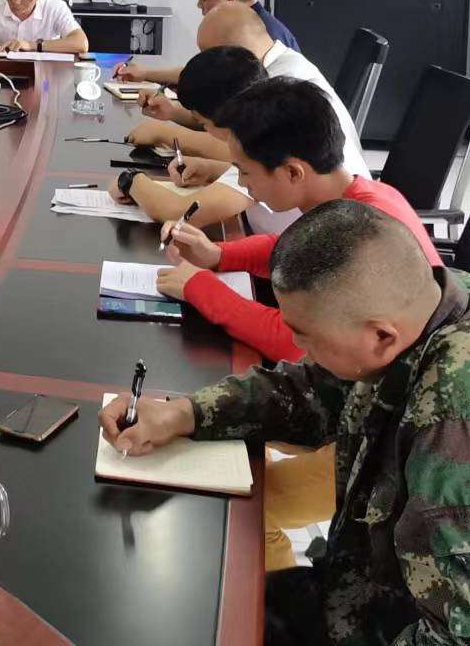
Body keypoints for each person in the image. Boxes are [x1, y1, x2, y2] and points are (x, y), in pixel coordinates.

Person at [102, 201, 470, 646]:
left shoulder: (464, 436)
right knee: (218, 608)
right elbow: (315, 389)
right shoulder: (431, 302)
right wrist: (186, 412)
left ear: (381, 335)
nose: (299, 347)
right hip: (391, 589)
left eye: (306, 336)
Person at [152, 79, 439, 576]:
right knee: (233, 445)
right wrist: (219, 256)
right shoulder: (355, 200)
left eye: (246, 172)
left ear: (292, 172)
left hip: (392, 433)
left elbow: (296, 343)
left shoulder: (363, 232)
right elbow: (291, 254)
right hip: (362, 395)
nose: (244, 186)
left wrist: (202, 288)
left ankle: (271, 602)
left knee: (252, 509)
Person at [128, 3, 370, 173]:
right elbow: (229, 129)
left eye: (210, 55)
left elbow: (243, 151)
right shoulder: (269, 66)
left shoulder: (284, 84)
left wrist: (164, 133)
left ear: (232, 54)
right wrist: (173, 112)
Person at [112, 0, 300, 86]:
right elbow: (213, 75)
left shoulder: (262, 35)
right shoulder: (255, 25)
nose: (199, 5)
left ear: (229, 0)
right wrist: (146, 73)